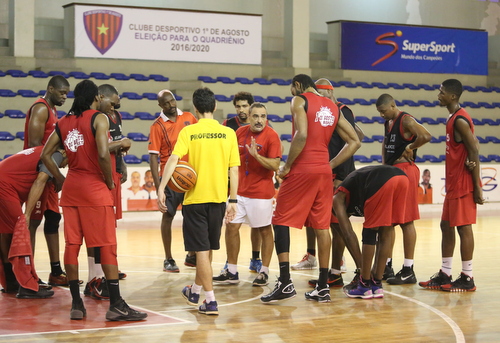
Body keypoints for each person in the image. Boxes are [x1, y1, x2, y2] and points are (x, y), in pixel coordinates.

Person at [40, 79, 147, 321]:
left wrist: (60, 179)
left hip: (72, 190)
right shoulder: (98, 118)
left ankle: (76, 303)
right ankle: (117, 305)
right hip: (94, 188)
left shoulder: (63, 122)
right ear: (96, 98)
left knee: (72, 245)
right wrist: (109, 180)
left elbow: (46, 155)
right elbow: (101, 152)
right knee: (106, 245)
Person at [260, 74, 360, 304]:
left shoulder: (299, 100)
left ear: (297, 85)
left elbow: (302, 134)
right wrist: (331, 164)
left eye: (292, 89)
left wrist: (287, 166)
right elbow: (355, 141)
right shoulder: (334, 107)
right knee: (322, 226)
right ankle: (323, 287)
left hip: (303, 168)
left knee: (280, 220)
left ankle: (285, 283)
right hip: (323, 172)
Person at [157, 87, 240, 315]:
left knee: (202, 251)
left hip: (194, 200)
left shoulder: (188, 132)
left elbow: (173, 160)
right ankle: (194, 291)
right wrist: (233, 199)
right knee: (208, 249)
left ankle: (210, 300)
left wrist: (162, 188)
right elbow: (234, 169)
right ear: (214, 107)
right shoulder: (229, 133)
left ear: (195, 109)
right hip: (218, 199)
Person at [419, 79, 483, 292]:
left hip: (463, 183)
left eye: (442, 92)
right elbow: (474, 144)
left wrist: (478, 186)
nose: (439, 95)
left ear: (453, 96)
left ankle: (467, 277)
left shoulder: (460, 120)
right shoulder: (453, 118)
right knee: (446, 225)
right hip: (454, 183)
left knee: (464, 228)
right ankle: (445, 273)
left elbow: (474, 149)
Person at [303, 78, 365, 292]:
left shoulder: (340, 110)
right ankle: (336, 274)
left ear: (330, 92)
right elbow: (360, 135)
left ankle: (363, 272)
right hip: (331, 175)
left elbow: (352, 143)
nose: (318, 98)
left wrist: (340, 177)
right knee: (336, 228)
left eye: (321, 93)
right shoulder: (329, 111)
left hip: (341, 177)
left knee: (341, 226)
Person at [213, 102, 281, 286]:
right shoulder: (239, 133)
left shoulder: (272, 136)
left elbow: (275, 165)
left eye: (263, 116)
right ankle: (232, 271)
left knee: (264, 230)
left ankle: (264, 271)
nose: (260, 120)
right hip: (239, 193)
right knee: (231, 227)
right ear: (249, 117)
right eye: (256, 116)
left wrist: (257, 156)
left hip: (261, 194)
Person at [376, 93, 432, 285]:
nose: (382, 115)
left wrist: (411, 146)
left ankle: (408, 269)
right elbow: (385, 144)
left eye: (383, 111)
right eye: (380, 113)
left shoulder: (406, 119)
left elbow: (426, 135)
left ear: (392, 105)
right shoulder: (388, 123)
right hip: (392, 171)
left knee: (406, 221)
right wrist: (384, 165)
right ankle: (387, 266)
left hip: (405, 171)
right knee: (388, 221)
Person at [333, 165, 410, 299]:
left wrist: (362, 269)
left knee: (369, 232)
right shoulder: (352, 192)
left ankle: (364, 285)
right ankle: (377, 284)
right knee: (386, 230)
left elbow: (348, 234)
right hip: (402, 178)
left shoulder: (337, 199)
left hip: (381, 181)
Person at [84, 84, 131, 300]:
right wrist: (120, 144)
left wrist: (122, 164)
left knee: (109, 225)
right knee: (97, 228)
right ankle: (95, 276)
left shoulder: (115, 116)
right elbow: (98, 148)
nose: (113, 108)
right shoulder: (94, 118)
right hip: (99, 176)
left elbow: (115, 145)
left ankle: (107, 268)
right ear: (100, 97)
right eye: (111, 103)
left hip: (114, 172)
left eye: (115, 105)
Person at [0, 146, 66, 298]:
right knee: (21, 230)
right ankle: (26, 285)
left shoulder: (43, 150)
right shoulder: (56, 155)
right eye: (67, 162)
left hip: (5, 181)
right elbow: (39, 181)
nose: (65, 166)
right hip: (5, 186)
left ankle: (11, 281)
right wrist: (27, 215)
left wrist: (57, 176)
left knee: (6, 232)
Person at [23, 75, 70, 287]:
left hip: (48, 172)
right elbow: (34, 145)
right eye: (61, 93)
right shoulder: (41, 108)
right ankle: (28, 272)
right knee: (32, 223)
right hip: (38, 173)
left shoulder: (52, 110)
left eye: (67, 93)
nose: (65, 97)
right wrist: (56, 156)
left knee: (53, 220)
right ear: (50, 89)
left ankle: (56, 271)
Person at [148, 89, 198, 271]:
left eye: (173, 101)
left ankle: (191, 255)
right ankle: (168, 258)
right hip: (170, 178)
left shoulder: (189, 117)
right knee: (168, 216)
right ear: (160, 105)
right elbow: (153, 157)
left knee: (192, 216)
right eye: (167, 103)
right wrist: (158, 186)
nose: (171, 105)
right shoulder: (157, 126)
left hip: (190, 175)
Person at [223, 91, 263, 273]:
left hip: (257, 181)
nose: (241, 109)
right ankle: (229, 262)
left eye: (245, 106)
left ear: (251, 107)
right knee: (231, 223)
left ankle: (256, 258)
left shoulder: (262, 123)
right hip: (235, 182)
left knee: (257, 225)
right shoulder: (229, 125)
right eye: (238, 106)